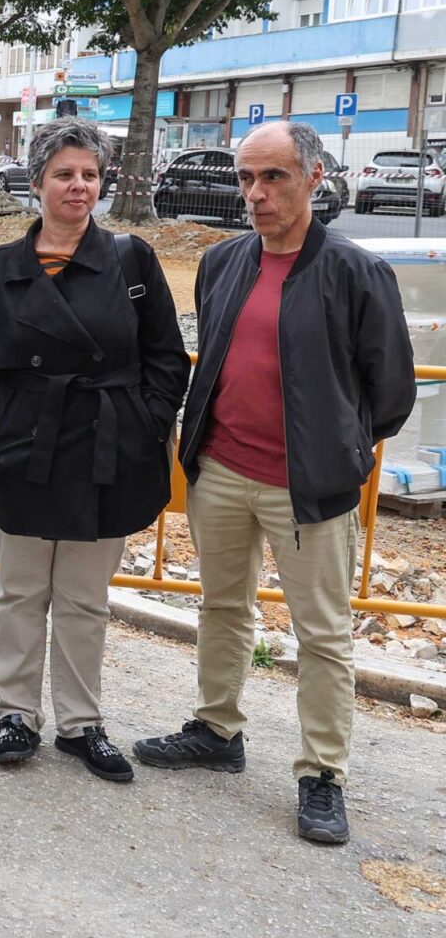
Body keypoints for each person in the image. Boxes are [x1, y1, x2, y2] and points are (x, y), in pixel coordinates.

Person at [135, 120, 414, 845]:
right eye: (246, 179)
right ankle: (216, 727)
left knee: (321, 635)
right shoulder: (224, 261)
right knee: (222, 608)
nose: (256, 195)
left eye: (274, 178)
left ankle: (322, 773)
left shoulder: (357, 272)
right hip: (221, 473)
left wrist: (339, 451)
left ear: (314, 178)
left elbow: (390, 393)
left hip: (308, 488)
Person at [0, 119, 188, 780]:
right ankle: (15, 715)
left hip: (106, 446)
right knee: (21, 589)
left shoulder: (132, 259)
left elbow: (166, 358)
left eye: (89, 174)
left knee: (86, 597)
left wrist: (144, 423)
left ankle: (82, 724)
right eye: (64, 174)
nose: (78, 186)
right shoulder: (1, 268)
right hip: (22, 445)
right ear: (36, 183)